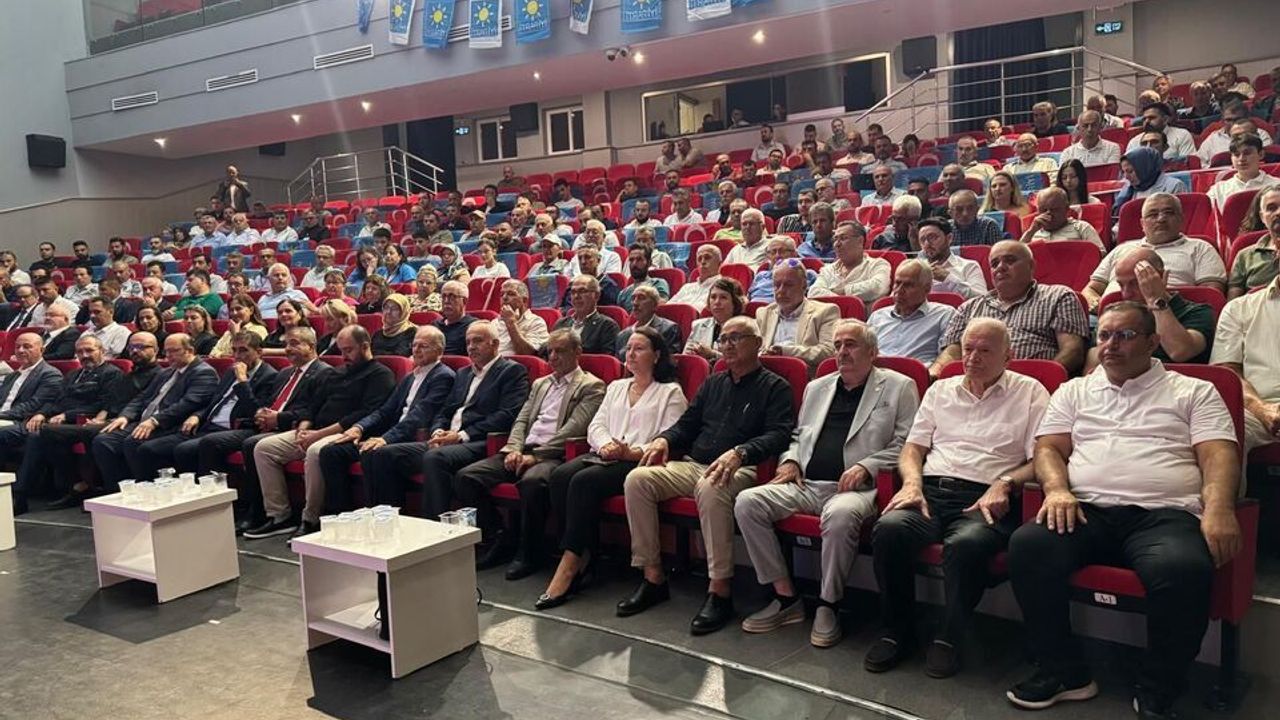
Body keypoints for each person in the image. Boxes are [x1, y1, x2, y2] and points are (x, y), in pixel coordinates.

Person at [1007, 303, 1240, 715]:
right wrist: (1057, 490)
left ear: (1152, 342)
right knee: (1029, 545)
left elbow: (1218, 453)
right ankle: (1065, 672)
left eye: (1124, 335)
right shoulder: (1074, 390)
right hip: (1086, 509)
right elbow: (1048, 449)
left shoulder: (1194, 390)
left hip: (1164, 515)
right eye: (1104, 335)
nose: (1110, 345)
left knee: (1183, 569)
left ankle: (1159, 685)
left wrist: (1219, 508)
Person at [868, 317, 1048, 678]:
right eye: (968, 349)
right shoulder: (940, 390)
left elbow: (1041, 458)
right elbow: (913, 448)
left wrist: (1006, 482)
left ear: (1008, 356)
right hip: (930, 490)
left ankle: (950, 635)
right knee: (889, 529)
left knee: (966, 545)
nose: (973, 358)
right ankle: (897, 630)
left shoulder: (1030, 392)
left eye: (985, 350)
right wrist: (911, 484)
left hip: (986, 497)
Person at [736, 320, 917, 646]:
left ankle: (828, 603)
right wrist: (791, 460)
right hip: (807, 484)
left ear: (872, 352)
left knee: (840, 515)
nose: (842, 352)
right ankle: (786, 597)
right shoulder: (817, 387)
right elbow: (798, 435)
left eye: (851, 344)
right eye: (837, 345)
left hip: (858, 489)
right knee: (748, 502)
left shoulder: (899, 386)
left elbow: (906, 444)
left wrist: (866, 466)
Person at [618, 316, 794, 634]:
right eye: (723, 339)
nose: (727, 345)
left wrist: (741, 452)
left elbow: (779, 435)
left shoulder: (775, 386)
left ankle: (719, 589)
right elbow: (688, 424)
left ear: (757, 343)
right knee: (638, 479)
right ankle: (653, 577)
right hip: (695, 463)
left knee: (711, 486)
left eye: (736, 338)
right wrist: (664, 439)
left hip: (743, 467)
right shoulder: (713, 382)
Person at [537, 326, 687, 609]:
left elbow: (670, 438)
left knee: (584, 481)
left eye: (639, 348)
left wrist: (629, 451)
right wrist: (606, 444)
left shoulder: (670, 392)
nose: (631, 354)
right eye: (628, 348)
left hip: (639, 461)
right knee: (560, 475)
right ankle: (585, 554)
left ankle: (570, 564)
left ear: (656, 355)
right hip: (606, 454)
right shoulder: (617, 386)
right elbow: (597, 424)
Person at [455, 330, 606, 577]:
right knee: (467, 477)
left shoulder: (591, 386)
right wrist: (514, 448)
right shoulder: (540, 383)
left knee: (533, 483)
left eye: (560, 351)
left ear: (577, 352)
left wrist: (536, 456)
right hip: (523, 449)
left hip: (555, 455)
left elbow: (574, 429)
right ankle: (500, 536)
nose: (553, 357)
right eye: (550, 351)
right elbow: (522, 420)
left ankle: (530, 553)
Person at [364, 322, 530, 519]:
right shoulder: (463, 373)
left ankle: (435, 527)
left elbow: (507, 415)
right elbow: (445, 411)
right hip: (447, 440)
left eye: (477, 341)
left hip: (479, 441)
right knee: (382, 454)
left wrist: (461, 436)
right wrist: (438, 431)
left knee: (435, 458)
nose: (471, 347)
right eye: (468, 342)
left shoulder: (511, 371)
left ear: (495, 344)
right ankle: (390, 520)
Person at [243, 325, 396, 539]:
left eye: (349, 350)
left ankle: (311, 518)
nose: (344, 356)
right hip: (314, 429)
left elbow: (363, 414)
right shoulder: (336, 372)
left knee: (316, 451)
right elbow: (313, 406)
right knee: (264, 448)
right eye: (341, 350)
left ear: (365, 346)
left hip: (347, 432)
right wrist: (303, 428)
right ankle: (279, 515)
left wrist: (317, 434)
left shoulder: (380, 374)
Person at [317, 325, 455, 515]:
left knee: (376, 453)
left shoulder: (443, 376)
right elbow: (385, 410)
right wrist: (359, 427)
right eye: (414, 345)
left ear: (439, 350)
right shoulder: (410, 377)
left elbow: (419, 416)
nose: (416, 350)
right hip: (392, 433)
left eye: (423, 346)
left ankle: (385, 517)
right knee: (332, 451)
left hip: (414, 437)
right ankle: (340, 514)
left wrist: (385, 439)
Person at [131, 331, 278, 480]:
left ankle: (207, 490)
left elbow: (256, 413)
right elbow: (214, 400)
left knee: (188, 448)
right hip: (209, 424)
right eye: (234, 350)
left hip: (239, 428)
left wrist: (242, 382)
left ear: (259, 352)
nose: (237, 355)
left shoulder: (269, 376)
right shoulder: (231, 371)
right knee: (152, 448)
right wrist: (197, 415)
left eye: (243, 350)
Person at [934, 241, 1089, 376]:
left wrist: (1044, 378)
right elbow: (951, 353)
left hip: (1033, 385)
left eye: (1010, 260)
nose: (1000, 267)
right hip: (975, 385)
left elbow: (1072, 351)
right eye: (994, 264)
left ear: (1031, 266)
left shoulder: (1058, 296)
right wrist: (933, 374)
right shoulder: (968, 307)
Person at [7, 336, 123, 515]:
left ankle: (22, 494)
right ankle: (73, 486)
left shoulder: (111, 373)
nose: (85, 355)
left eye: (89, 350)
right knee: (36, 434)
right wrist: (42, 413)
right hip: (60, 424)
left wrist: (66, 415)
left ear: (102, 351)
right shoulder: (73, 374)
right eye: (80, 352)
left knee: (39, 433)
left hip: (86, 422)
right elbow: (56, 401)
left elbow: (103, 404)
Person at [90, 334, 219, 489]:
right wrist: (125, 416)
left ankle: (145, 489)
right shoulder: (166, 372)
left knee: (134, 442)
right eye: (166, 351)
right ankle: (117, 490)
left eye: (173, 351)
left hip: (171, 424)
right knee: (104, 441)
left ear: (189, 351)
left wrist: (155, 420)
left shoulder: (203, 372)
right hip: (146, 421)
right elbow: (142, 398)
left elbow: (188, 404)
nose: (168, 355)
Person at [1085, 193, 1226, 308]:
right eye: (1153, 214)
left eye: (1169, 213)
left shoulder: (1201, 248)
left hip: (1169, 314)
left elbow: (1211, 295)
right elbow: (1091, 289)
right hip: (1109, 316)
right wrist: (1096, 305)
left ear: (1181, 219)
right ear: (1142, 224)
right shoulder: (1122, 249)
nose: (1161, 219)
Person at [1086, 248, 1214, 374]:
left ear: (1161, 277)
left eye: (1135, 283)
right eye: (1121, 285)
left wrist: (1155, 300)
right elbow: (1093, 363)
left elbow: (1179, 351)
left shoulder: (1197, 312)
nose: (1126, 294)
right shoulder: (1115, 315)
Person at [756, 261, 840, 375]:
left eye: (788, 285)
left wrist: (784, 351)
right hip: (766, 376)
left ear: (804, 286)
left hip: (804, 377)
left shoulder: (825, 312)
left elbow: (828, 352)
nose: (781, 290)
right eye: (777, 285)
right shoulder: (764, 313)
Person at [867, 259, 956, 364]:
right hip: (877, 371)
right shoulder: (878, 316)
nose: (899, 290)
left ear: (927, 289)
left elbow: (949, 355)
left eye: (908, 285)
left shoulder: (944, 315)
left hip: (917, 372)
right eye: (897, 283)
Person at [808, 221, 890, 302]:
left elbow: (877, 288)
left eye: (843, 238)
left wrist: (842, 291)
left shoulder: (878, 264)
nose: (837, 244)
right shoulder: (828, 269)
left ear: (860, 241)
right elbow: (813, 292)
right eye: (835, 239)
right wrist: (845, 298)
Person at [1228, 187, 1280, 298]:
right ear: (1262, 217)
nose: (1278, 212)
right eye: (1271, 208)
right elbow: (1233, 304)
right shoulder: (1245, 256)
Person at [918, 217, 988, 299]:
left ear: (949, 238)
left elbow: (983, 299)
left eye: (932, 238)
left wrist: (948, 278)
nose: (927, 244)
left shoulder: (969, 266)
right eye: (922, 240)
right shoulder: (916, 270)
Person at [551, 276, 620, 355]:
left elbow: (606, 359)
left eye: (582, 291)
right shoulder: (561, 324)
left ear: (597, 295)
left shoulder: (607, 326)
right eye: (573, 292)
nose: (576, 296)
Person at [1020, 187, 1104, 251]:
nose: (1048, 214)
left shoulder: (1081, 227)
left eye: (1054, 210)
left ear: (1066, 209)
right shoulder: (1032, 232)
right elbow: (1016, 258)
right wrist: (1030, 232)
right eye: (1043, 210)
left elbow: (1100, 254)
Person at [1209, 134, 1279, 210]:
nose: (1241, 159)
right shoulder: (1218, 190)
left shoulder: (1277, 184)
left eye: (1247, 153)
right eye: (1236, 155)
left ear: (1261, 154)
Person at [684, 277, 745, 365]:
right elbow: (685, 357)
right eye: (713, 297)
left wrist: (713, 354)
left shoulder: (745, 328)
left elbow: (744, 362)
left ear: (736, 302)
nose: (717, 302)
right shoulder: (698, 325)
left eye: (723, 297)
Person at [1125, 103, 1197, 159]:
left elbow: (1188, 163)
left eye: (1152, 118)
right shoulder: (1134, 141)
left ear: (1165, 119)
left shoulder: (1182, 135)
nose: (1147, 122)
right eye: (1144, 119)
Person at [209, 294, 268, 359]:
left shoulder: (259, 329)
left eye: (238, 309)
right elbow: (212, 353)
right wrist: (224, 356)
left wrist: (235, 334)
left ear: (251, 310)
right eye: (231, 310)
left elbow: (245, 355)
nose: (234, 313)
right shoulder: (229, 332)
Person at [1056, 110, 1120, 169]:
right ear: (1078, 128)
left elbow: (1112, 174)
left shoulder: (1112, 148)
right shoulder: (1068, 153)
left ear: (1100, 127)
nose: (1089, 129)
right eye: (1085, 126)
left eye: (1094, 125)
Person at [669, 244, 723, 311]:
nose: (702, 262)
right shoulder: (686, 287)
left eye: (707, 257)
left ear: (719, 263)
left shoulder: (724, 287)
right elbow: (667, 308)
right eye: (699, 259)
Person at [617, 245, 670, 312]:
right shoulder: (623, 294)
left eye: (639, 260)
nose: (634, 264)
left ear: (649, 263)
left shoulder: (658, 283)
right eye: (631, 260)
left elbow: (660, 307)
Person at [431, 281, 476, 356]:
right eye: (443, 296)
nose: (446, 301)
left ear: (464, 301)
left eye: (452, 297)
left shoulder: (473, 327)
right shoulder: (434, 325)